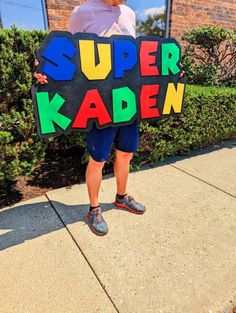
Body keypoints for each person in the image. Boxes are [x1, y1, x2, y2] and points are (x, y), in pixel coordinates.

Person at [34, 0, 185, 236]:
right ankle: (93, 209)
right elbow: (66, 53)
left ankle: (121, 197)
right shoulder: (82, 12)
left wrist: (169, 71)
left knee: (126, 153)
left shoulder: (128, 13)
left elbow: (137, 59)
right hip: (98, 103)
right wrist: (46, 71)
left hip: (127, 102)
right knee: (98, 158)